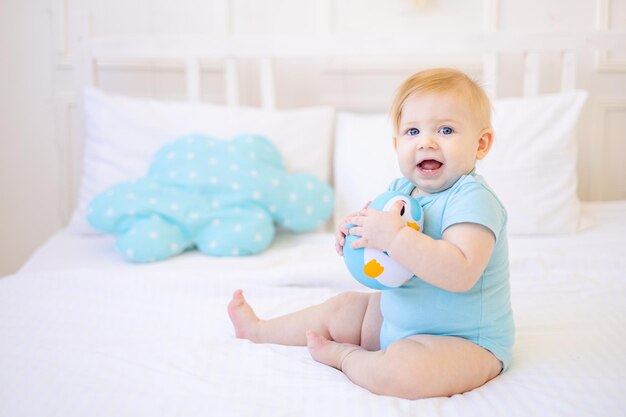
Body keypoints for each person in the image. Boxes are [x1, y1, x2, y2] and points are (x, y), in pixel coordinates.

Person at [227, 68, 514, 400]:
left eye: (446, 129)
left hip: (465, 341)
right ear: (396, 144)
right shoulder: (401, 190)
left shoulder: (472, 199)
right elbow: (376, 235)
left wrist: (394, 238)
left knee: (406, 373)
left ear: (481, 143)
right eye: (413, 131)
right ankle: (259, 330)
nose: (427, 142)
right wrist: (354, 232)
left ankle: (346, 357)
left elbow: (461, 272)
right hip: (396, 320)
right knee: (343, 307)